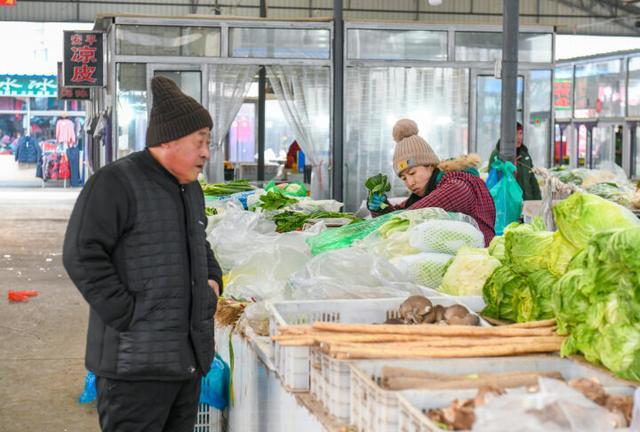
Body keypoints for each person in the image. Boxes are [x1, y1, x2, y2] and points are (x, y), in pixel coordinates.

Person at [63, 76, 223, 432]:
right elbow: (81, 254)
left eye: (208, 143)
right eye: (200, 142)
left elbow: (199, 241)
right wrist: (126, 314)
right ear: (168, 139)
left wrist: (213, 280)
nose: (206, 153)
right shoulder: (116, 182)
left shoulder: (190, 189)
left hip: (187, 363)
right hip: (134, 371)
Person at [368, 119, 496, 246]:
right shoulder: (426, 191)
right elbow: (402, 216)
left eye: (412, 173)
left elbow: (408, 217)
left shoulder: (458, 186)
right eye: (404, 178)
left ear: (429, 165)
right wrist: (380, 207)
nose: (410, 183)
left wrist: (381, 218)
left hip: (477, 258)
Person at [488, 122, 542, 201]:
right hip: (508, 204)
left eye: (520, 133)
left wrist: (538, 202)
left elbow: (532, 180)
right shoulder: (498, 155)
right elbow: (494, 181)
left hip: (527, 202)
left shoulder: (524, 155)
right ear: (506, 135)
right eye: (516, 134)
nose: (519, 137)